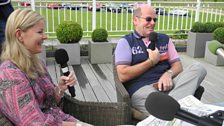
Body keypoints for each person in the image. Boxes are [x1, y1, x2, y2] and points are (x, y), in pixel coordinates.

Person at [0, 8, 92, 126]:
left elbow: (49, 104)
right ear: (19, 35)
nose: (45, 36)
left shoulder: (37, 63)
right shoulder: (10, 75)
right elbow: (35, 123)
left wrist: (60, 88)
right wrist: (78, 125)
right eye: (40, 32)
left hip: (65, 119)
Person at [114, 4, 207, 116]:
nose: (152, 23)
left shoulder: (164, 39)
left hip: (169, 85)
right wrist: (151, 62)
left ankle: (167, 109)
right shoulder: (126, 42)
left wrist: (168, 74)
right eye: (148, 19)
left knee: (198, 68)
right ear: (135, 20)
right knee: (168, 109)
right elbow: (122, 75)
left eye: (154, 19)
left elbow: (178, 65)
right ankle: (175, 109)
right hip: (142, 89)